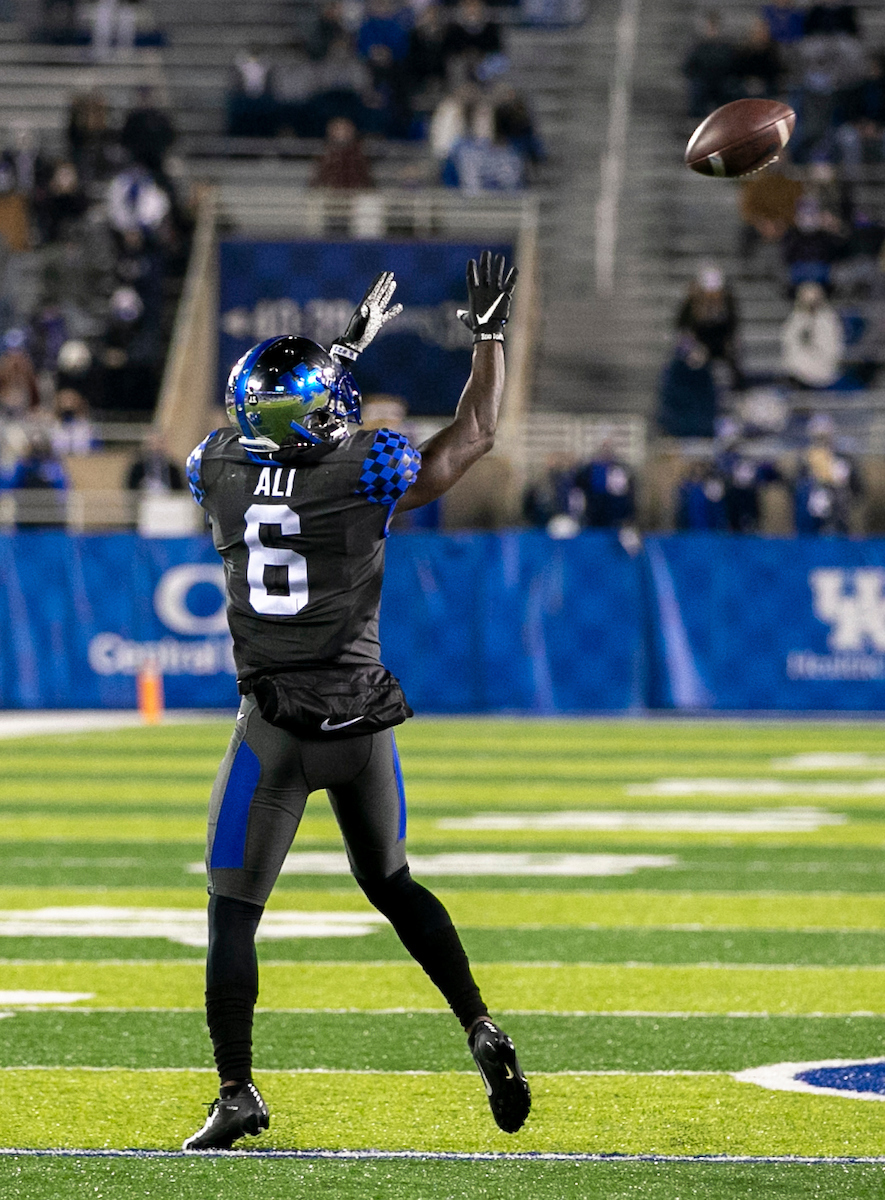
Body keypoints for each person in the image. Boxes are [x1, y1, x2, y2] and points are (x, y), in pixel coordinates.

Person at [182, 252, 530, 1151]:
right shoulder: (365, 474)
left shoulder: (215, 471)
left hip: (272, 736)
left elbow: (281, 437)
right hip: (361, 722)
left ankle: (236, 1090)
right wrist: (487, 335)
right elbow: (474, 433)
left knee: (231, 911)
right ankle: (478, 1024)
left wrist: (334, 355)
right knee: (392, 883)